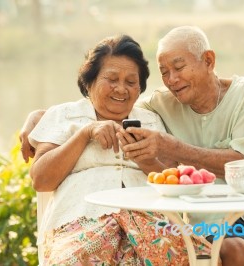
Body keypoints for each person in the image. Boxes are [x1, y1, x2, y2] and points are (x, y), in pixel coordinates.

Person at [20, 27, 244, 266]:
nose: (171, 79)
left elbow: (195, 174)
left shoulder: (161, 114)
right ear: (89, 83)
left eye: (131, 83)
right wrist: (49, 120)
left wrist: (157, 154)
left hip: (242, 211)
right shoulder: (80, 114)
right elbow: (45, 174)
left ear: (209, 61)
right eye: (164, 72)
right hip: (90, 221)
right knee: (230, 251)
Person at [26, 34, 210, 265]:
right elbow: (41, 180)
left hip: (150, 223)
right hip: (82, 221)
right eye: (112, 79)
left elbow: (173, 182)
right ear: (89, 81)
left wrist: (146, 161)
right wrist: (85, 134)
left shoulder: (150, 120)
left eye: (131, 82)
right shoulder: (63, 116)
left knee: (198, 258)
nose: (121, 89)